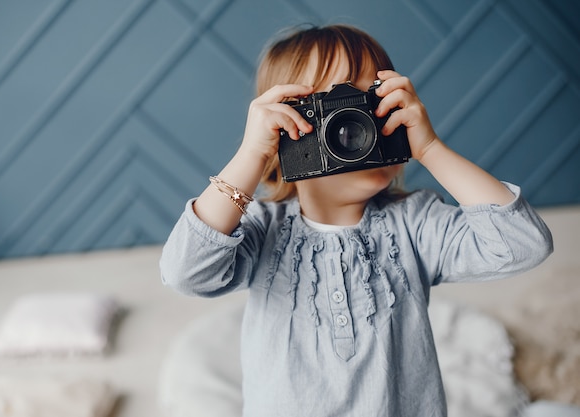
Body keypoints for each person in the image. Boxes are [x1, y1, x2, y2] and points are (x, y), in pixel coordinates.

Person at [160, 24, 553, 416]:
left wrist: (430, 148)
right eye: (337, 109)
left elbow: (522, 244)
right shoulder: (263, 231)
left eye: (373, 101)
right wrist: (251, 155)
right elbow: (186, 271)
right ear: (283, 127)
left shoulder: (414, 224)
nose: (361, 123)